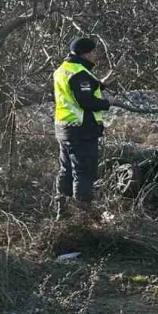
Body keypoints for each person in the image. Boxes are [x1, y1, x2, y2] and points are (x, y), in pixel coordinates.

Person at [53, 37, 116, 220]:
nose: (96, 55)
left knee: (66, 171)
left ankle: (63, 214)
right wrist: (107, 103)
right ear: (86, 53)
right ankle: (82, 218)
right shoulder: (80, 73)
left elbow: (74, 94)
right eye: (94, 52)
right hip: (82, 130)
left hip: (63, 128)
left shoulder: (62, 70)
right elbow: (85, 101)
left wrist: (99, 84)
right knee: (84, 173)